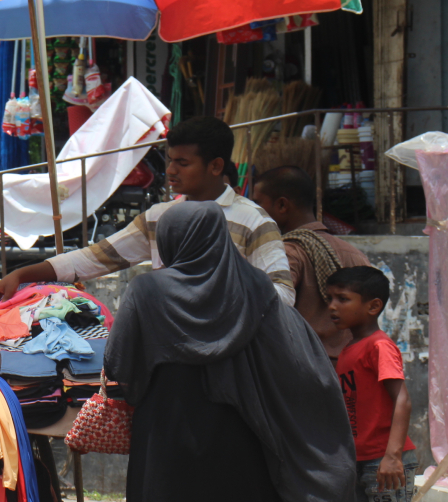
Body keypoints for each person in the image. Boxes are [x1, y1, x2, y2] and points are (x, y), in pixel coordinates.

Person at [106, 201, 355, 502]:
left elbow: (118, 363)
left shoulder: (147, 291)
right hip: (241, 432)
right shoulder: (257, 289)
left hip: (166, 434)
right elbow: (298, 361)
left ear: (170, 239)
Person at [0, 116, 295, 305]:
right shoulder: (159, 219)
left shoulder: (253, 221)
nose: (171, 170)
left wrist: (226, 290)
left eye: (182, 163)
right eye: (170, 159)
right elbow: (93, 259)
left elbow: (283, 295)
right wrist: (22, 273)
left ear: (216, 166)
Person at [252, 166, 370, 357]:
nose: (253, 212)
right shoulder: (354, 254)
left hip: (304, 368)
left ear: (282, 205)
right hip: (351, 368)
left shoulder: (285, 253)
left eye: (257, 204)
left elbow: (265, 308)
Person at [327, 266, 419, 501]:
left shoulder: (379, 346)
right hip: (360, 459)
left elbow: (402, 399)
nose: (332, 306)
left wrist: (392, 455)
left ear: (373, 306)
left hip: (384, 460)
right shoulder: (349, 350)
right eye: (330, 299)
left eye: (342, 299)